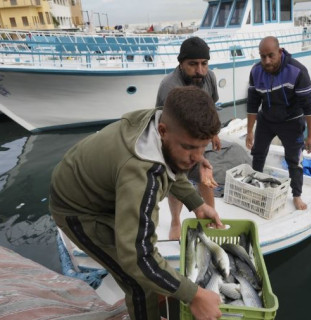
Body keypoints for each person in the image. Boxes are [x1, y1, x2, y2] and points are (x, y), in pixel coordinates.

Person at [49, 86, 224, 320]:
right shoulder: (141, 176)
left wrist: (197, 204)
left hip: (103, 189)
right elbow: (137, 258)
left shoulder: (160, 124)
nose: (196, 157)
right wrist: (194, 295)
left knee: (146, 262)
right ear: (163, 131)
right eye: (190, 147)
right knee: (139, 281)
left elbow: (174, 165)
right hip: (77, 208)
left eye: (203, 147)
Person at [156, 36, 221, 240]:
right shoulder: (169, 86)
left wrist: (214, 134)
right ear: (181, 63)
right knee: (178, 177)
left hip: (200, 134)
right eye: (193, 64)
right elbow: (170, 130)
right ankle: (176, 221)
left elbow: (211, 107)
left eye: (204, 63)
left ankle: (210, 214)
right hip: (174, 138)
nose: (200, 70)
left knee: (205, 175)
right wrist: (195, 156)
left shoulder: (208, 77)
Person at [245, 36, 311, 210]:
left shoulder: (297, 71)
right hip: (266, 119)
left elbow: (309, 107)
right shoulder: (256, 71)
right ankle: (257, 186)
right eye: (263, 57)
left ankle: (297, 195)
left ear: (280, 52)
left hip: (291, 121)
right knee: (258, 153)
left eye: (271, 55)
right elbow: (252, 104)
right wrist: (249, 131)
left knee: (294, 160)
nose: (267, 61)